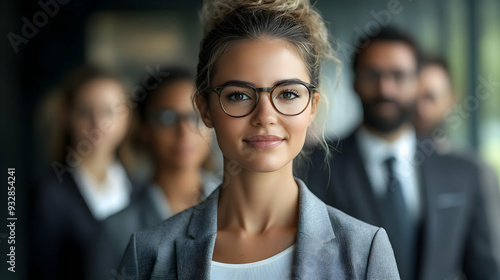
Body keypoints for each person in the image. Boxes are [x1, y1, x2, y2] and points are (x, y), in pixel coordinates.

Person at [118, 0, 400, 279]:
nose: (265, 116)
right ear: (204, 109)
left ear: (312, 106)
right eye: (239, 95)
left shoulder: (364, 251)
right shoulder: (150, 254)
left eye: (288, 94)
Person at [306, 27, 500, 280]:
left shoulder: (464, 173)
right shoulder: (314, 167)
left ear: (418, 83)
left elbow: (486, 271)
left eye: (398, 75)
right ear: (354, 81)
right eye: (372, 74)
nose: (386, 89)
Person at [87, 67, 220, 280]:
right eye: (167, 118)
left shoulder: (240, 208)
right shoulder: (116, 230)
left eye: (195, 117)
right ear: (144, 129)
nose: (184, 131)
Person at [29, 65, 143, 280]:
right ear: (67, 115)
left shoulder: (142, 190)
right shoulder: (46, 194)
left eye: (109, 111)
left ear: (126, 117)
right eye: (85, 111)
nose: (98, 123)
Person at [413, 55, 456, 153]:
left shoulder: (472, 167)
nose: (420, 108)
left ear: (451, 99)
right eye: (414, 98)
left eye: (430, 98)